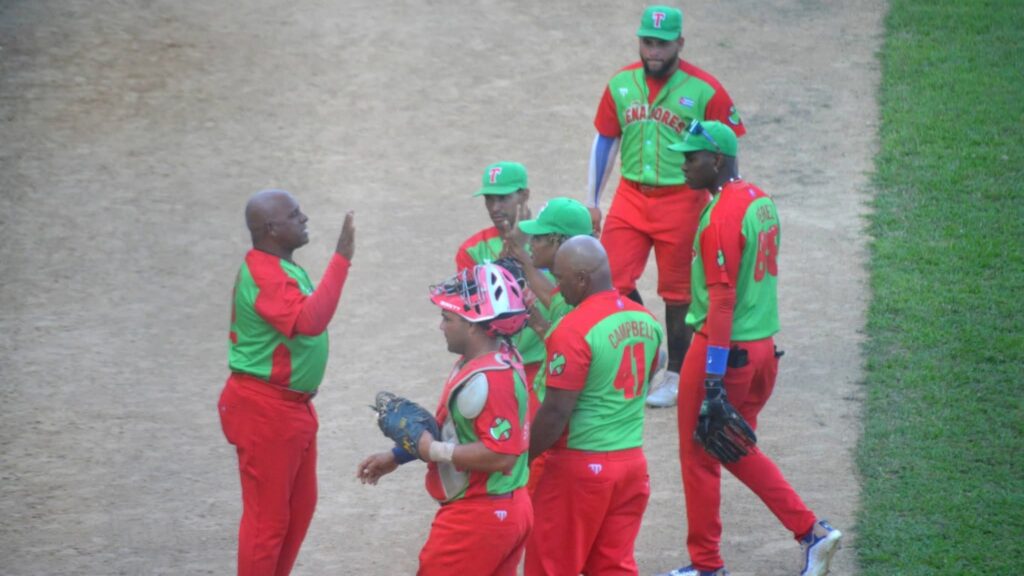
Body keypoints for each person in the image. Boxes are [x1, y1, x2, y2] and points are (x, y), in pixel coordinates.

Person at [655, 122, 841, 576]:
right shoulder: (760, 201)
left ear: (716, 160)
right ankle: (810, 533)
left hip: (723, 349)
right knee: (731, 447)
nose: (683, 165)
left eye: (691, 157)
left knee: (701, 457)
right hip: (762, 351)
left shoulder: (722, 215)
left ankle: (710, 564)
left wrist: (712, 378)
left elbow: (722, 301)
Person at [588, 5, 746, 408]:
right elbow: (606, 139)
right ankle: (651, 347)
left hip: (683, 199)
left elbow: (727, 150)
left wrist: (727, 201)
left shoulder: (706, 90)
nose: (653, 51)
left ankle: (676, 373)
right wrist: (592, 200)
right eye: (647, 42)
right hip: (630, 196)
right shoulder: (621, 83)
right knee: (608, 279)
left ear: (680, 43)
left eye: (661, 43)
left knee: (678, 294)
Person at [356, 263, 533, 576]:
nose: (441, 326)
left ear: (473, 325)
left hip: (479, 516)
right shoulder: (484, 360)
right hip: (499, 509)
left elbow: (502, 455)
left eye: (448, 318)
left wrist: (431, 450)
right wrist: (398, 455)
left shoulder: (493, 379)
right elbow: (458, 432)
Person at [217, 189, 355, 576]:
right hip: (265, 411)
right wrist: (341, 259)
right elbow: (310, 321)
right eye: (294, 215)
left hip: (287, 409)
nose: (304, 218)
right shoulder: (265, 272)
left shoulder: (281, 267)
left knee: (298, 509)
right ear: (271, 229)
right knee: (268, 522)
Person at [525, 235, 663, 576]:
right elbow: (648, 379)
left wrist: (520, 460)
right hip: (631, 465)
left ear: (582, 279)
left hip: (579, 469)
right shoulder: (647, 321)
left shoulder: (573, 329)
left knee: (551, 567)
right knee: (612, 567)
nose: (558, 289)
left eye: (560, 279)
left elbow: (556, 413)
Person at [501, 196, 594, 494]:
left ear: (559, 243)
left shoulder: (576, 300)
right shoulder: (582, 286)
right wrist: (540, 324)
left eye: (538, 238)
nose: (532, 243)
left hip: (561, 440)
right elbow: (553, 301)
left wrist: (524, 458)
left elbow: (558, 309)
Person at [456, 161, 557, 412]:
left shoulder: (552, 242)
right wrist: (513, 250)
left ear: (524, 195)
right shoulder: (471, 250)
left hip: (544, 363)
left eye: (503, 198)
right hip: (496, 367)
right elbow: (479, 315)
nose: (494, 208)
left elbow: (564, 304)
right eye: (489, 199)